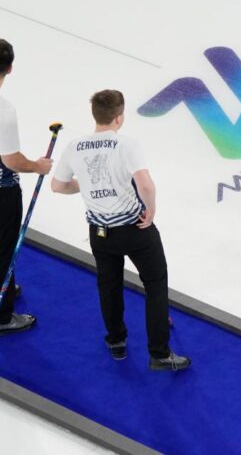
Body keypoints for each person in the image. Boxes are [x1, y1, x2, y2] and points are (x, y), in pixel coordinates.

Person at [50, 90, 190, 370]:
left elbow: (58, 186)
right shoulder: (126, 144)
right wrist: (151, 210)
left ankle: (116, 341)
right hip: (135, 228)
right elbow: (146, 184)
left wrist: (85, 186)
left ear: (96, 116)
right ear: (119, 117)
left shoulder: (74, 146)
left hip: (100, 232)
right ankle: (160, 353)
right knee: (155, 284)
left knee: (109, 285)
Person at [0, 39, 53, 335]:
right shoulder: (3, 111)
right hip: (2, 190)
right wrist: (37, 166)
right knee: (5, 247)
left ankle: (6, 287)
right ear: (10, 68)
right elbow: (11, 160)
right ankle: (3, 315)